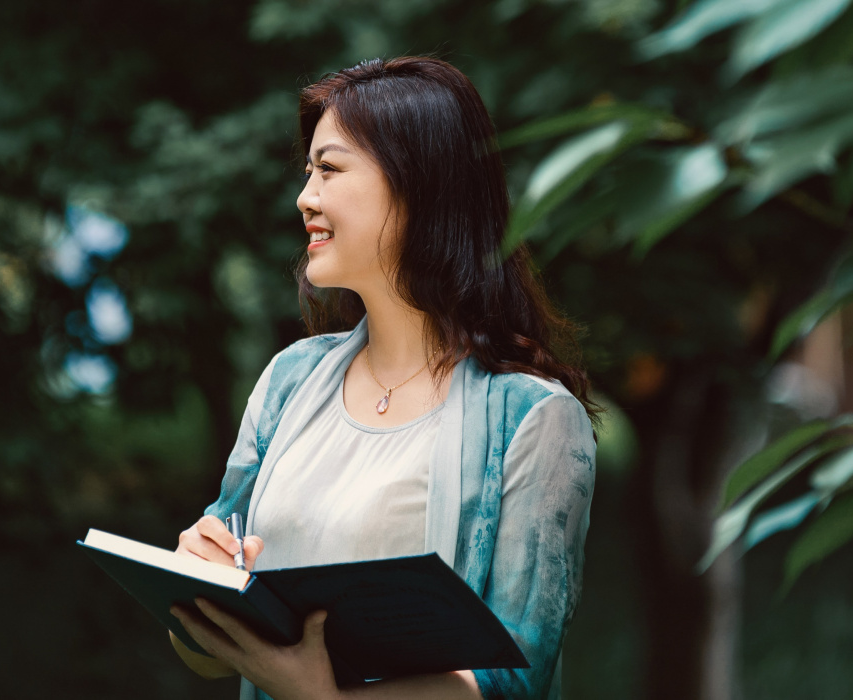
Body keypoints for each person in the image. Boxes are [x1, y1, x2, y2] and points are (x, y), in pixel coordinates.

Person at [167, 56, 598, 700]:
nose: (305, 197)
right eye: (309, 171)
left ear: (419, 185)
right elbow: (211, 654)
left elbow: (515, 678)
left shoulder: (534, 419)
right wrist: (193, 587)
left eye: (331, 169)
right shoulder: (290, 381)